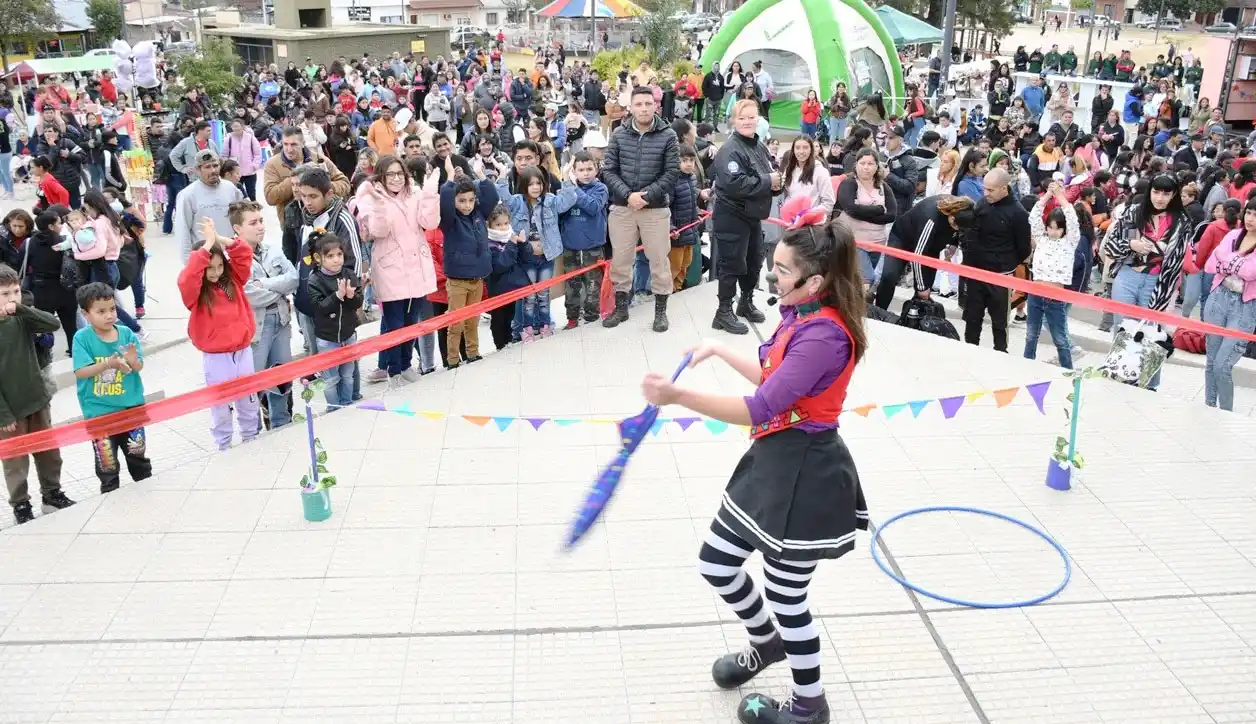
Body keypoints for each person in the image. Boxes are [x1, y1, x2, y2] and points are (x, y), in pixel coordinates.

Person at [640, 217, 869, 724]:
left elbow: (762, 405)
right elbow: (776, 377)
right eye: (774, 265)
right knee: (717, 562)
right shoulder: (800, 313)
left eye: (782, 271)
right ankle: (766, 644)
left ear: (816, 281)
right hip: (772, 461)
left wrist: (677, 397)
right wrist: (719, 348)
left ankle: (811, 706)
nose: (772, 276)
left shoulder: (825, 335)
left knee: (788, 597)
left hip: (807, 472)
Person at [1101, 172, 1191, 390]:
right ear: (1149, 191)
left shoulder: (1182, 221)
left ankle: (1150, 384)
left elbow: (1177, 261)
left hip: (1157, 281)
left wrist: (1167, 292)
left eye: (1165, 193)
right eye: (1156, 191)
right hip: (1128, 275)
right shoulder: (1134, 211)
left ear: (1173, 195)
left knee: (1152, 333)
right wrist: (1132, 246)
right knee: (1122, 327)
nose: (1160, 197)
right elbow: (1111, 244)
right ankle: (1119, 375)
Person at [601, 86, 681, 332]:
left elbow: (672, 172)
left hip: (655, 209)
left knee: (658, 260)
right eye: (639, 104)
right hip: (622, 208)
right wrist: (628, 195)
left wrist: (646, 196)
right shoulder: (618, 134)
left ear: (655, 105)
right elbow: (608, 170)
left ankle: (660, 312)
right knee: (622, 260)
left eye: (648, 104)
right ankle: (622, 308)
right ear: (631, 107)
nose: (644, 108)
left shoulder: (668, 135)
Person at [356, 154, 441, 382]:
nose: (396, 179)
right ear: (381, 176)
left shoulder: (414, 192)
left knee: (412, 320)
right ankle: (393, 370)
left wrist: (431, 193)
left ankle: (405, 365)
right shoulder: (370, 196)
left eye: (399, 173)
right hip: (390, 268)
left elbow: (429, 223)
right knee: (394, 323)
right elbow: (378, 231)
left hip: (417, 266)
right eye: (390, 174)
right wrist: (381, 207)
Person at [0, 264, 74, 525]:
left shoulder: (22, 317)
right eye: (5, 294)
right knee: (15, 460)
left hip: (37, 398)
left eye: (16, 291)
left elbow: (53, 323)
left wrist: (20, 308)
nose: (12, 298)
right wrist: (3, 414)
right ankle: (20, 503)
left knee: (48, 451)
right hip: (10, 408)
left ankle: (52, 493)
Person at [178, 218, 259, 450]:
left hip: (243, 352)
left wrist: (218, 240)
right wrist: (205, 247)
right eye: (208, 268)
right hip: (216, 358)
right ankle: (223, 444)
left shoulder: (234, 280)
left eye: (219, 266)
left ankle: (251, 437)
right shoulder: (194, 293)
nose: (215, 273)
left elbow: (243, 253)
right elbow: (187, 277)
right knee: (221, 405)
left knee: (248, 400)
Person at [72, 282, 151, 493]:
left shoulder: (126, 334)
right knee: (107, 464)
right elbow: (81, 371)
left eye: (112, 309)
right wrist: (109, 363)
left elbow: (137, 367)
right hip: (99, 413)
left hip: (131, 410)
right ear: (85, 314)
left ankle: (146, 492)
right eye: (101, 311)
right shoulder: (82, 338)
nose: (109, 315)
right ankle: (110, 496)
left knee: (138, 456)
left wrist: (133, 360)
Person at [710, 99, 778, 335]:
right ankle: (722, 311)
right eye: (742, 118)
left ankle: (746, 302)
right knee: (731, 264)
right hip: (732, 214)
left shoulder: (758, 146)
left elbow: (767, 172)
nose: (748, 122)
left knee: (753, 260)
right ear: (733, 120)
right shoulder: (729, 149)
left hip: (752, 215)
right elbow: (734, 184)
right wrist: (769, 182)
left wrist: (775, 183)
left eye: (752, 117)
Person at [234, 200, 297, 430]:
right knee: (254, 381)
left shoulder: (273, 249)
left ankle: (282, 422)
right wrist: (280, 291)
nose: (260, 226)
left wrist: (268, 285)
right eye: (253, 223)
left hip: (281, 320)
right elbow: (249, 293)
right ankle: (252, 429)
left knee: (281, 375)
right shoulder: (234, 258)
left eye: (261, 221)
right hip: (256, 327)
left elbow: (294, 278)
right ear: (237, 229)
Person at [962, 168, 1031, 352]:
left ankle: (1001, 355)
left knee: (1000, 323)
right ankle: (969, 352)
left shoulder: (1018, 213)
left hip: (1001, 276)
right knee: (972, 319)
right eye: (985, 189)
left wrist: (1006, 264)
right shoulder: (981, 204)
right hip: (976, 272)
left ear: (1004, 188)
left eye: (991, 190)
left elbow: (1024, 248)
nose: (986, 194)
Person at [874, 195, 976, 310]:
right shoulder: (931, 217)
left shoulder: (967, 209)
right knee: (889, 276)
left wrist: (954, 243)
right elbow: (918, 255)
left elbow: (961, 230)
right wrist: (921, 287)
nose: (956, 230)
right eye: (956, 227)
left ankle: (915, 316)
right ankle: (880, 310)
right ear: (951, 218)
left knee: (925, 289)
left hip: (932, 246)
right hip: (903, 239)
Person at [1201, 198, 1256, 412]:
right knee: (1211, 361)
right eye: (1249, 213)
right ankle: (1208, 408)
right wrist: (1235, 264)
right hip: (1218, 298)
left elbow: (1250, 273)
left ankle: (1225, 413)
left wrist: (1228, 262)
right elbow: (1210, 264)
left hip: (1244, 307)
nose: (1251, 219)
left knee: (1223, 365)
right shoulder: (1233, 235)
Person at [440, 176, 498, 368]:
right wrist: (449, 181)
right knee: (455, 323)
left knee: (473, 320)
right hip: (457, 280)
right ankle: (453, 360)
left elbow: (492, 196)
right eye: (462, 201)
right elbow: (445, 203)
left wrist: (482, 177)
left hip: (477, 278)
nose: (467, 205)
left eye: (471, 200)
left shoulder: (479, 214)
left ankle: (473, 353)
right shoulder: (450, 220)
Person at [305, 231, 363, 407]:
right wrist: (337, 295)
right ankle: (334, 407)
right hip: (327, 338)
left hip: (348, 334)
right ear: (318, 258)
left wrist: (352, 296)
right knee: (330, 378)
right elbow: (319, 308)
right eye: (330, 256)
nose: (336, 259)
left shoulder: (349, 274)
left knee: (348, 373)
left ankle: (347, 403)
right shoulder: (315, 280)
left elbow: (357, 303)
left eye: (339, 254)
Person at [1024, 184, 1080, 369]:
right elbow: (1034, 216)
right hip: (1035, 293)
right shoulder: (1041, 239)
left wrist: (1060, 196)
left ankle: (1068, 372)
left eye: (1058, 228)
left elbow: (1072, 218)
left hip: (1056, 297)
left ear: (1064, 229)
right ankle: (1025, 367)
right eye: (1050, 227)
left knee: (1060, 339)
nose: (1053, 231)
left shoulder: (1069, 242)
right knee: (1031, 335)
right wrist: (1048, 194)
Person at [559, 151, 610, 328]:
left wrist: (573, 189)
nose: (586, 173)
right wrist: (567, 186)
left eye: (589, 168)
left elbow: (593, 206)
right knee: (571, 285)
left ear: (596, 169)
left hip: (593, 246)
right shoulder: (567, 188)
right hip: (570, 247)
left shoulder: (601, 188)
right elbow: (559, 209)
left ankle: (591, 315)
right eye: (581, 169)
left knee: (593, 284)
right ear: (574, 171)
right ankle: (572, 317)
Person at [175, 149, 245, 262]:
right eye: (207, 167)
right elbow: (183, 231)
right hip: (206, 257)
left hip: (231, 254)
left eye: (215, 165)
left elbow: (243, 219)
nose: (213, 170)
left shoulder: (231, 188)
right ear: (198, 170)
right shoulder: (187, 195)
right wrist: (189, 263)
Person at [223, 118, 263, 201]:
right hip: (234, 172)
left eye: (238, 126)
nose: (236, 128)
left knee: (251, 193)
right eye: (234, 126)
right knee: (236, 193)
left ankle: (252, 210)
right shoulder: (228, 139)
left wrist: (254, 165)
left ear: (242, 126)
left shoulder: (251, 138)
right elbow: (224, 155)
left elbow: (258, 153)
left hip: (250, 171)